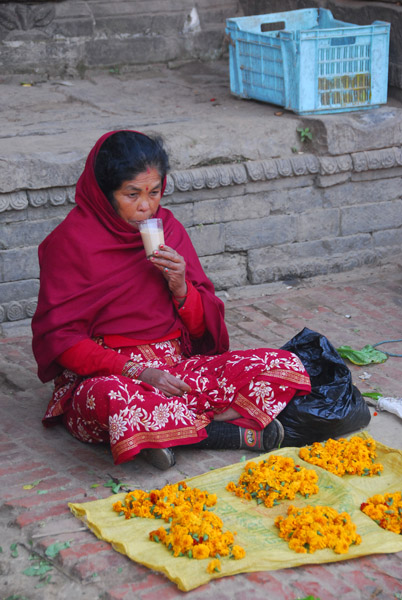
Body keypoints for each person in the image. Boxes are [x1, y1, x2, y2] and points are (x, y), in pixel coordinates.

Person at [31, 130, 311, 470]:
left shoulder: (168, 228)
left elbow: (202, 332)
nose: (146, 206)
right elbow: (63, 340)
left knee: (284, 365)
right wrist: (139, 372)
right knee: (113, 402)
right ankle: (227, 433)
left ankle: (164, 432)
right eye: (131, 194)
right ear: (105, 193)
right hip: (111, 374)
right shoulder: (71, 243)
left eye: (154, 192)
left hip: (179, 368)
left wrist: (181, 287)